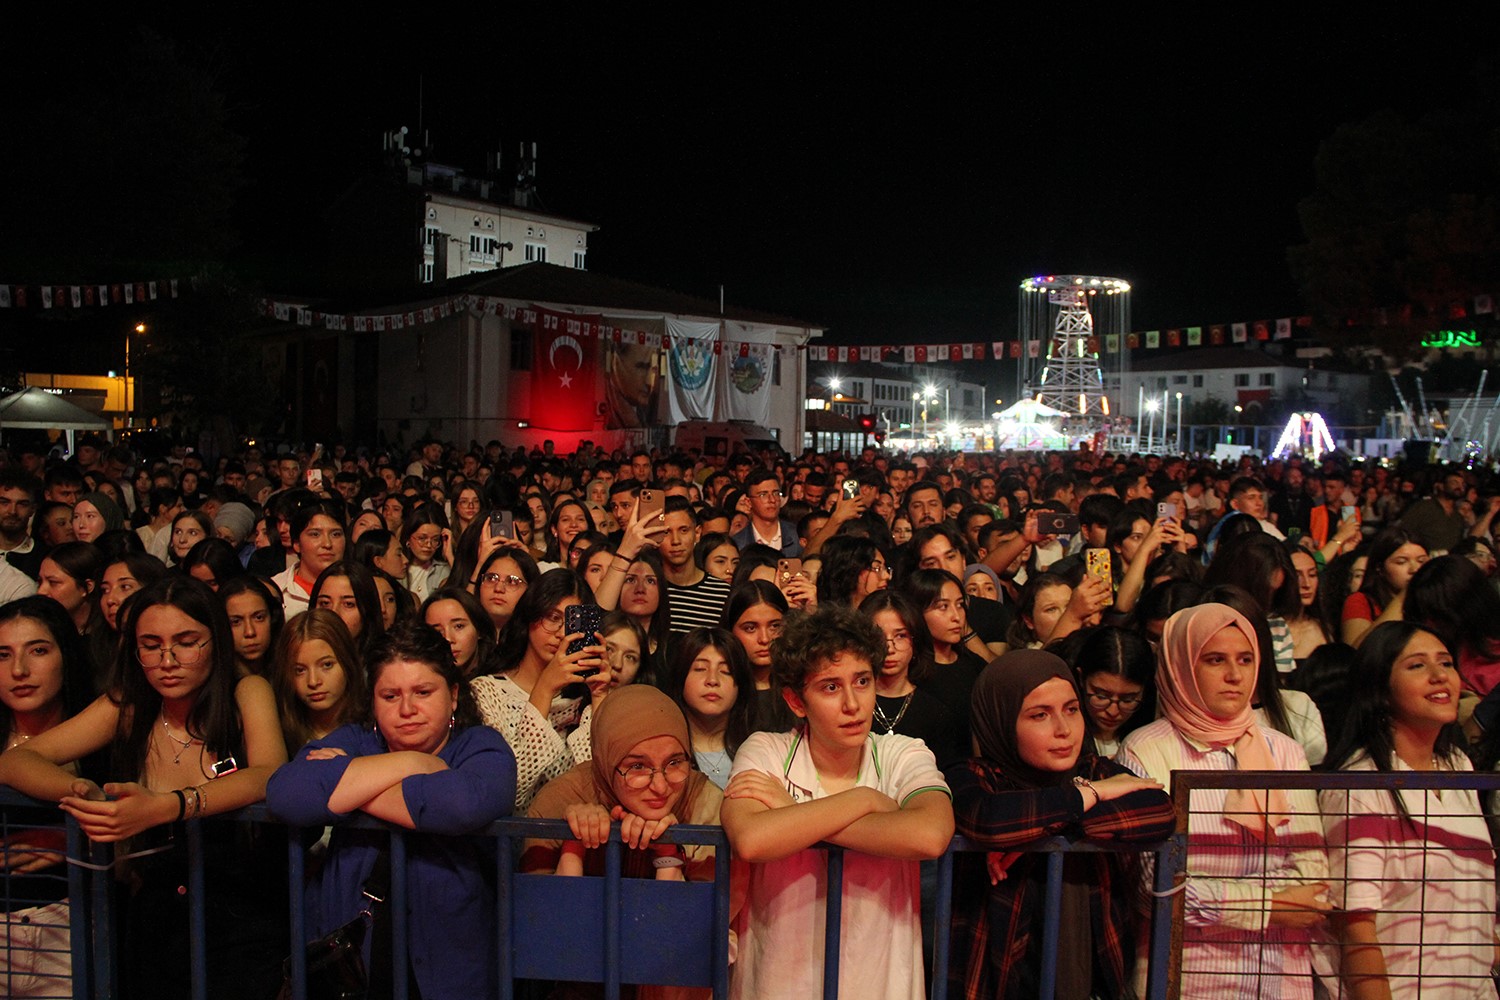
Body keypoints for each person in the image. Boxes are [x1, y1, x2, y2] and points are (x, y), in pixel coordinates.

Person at [0, 576, 288, 999]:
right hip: (155, 924)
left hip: (240, 920)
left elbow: (268, 773)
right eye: (151, 645)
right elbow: (15, 760)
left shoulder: (246, 690)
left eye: (187, 641)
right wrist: (83, 791)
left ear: (216, 642)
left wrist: (171, 806)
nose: (168, 659)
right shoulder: (130, 705)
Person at [266, 620, 516, 1000]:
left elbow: (461, 804)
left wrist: (347, 790)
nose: (407, 709)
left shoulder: (480, 745)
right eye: (390, 695)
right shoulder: (358, 740)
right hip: (355, 957)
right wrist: (413, 765)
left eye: (423, 691)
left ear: (452, 695)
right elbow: (286, 792)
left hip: (450, 962)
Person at [721, 604, 954, 1000]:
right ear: (796, 702)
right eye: (830, 687)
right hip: (780, 981)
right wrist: (867, 801)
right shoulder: (765, 750)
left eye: (862, 681)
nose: (852, 703)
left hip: (881, 981)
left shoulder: (903, 752)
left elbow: (930, 835)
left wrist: (793, 815)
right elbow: (752, 839)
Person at [1118, 603, 1330, 998]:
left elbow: (1314, 886)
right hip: (1183, 977)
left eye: (1245, 659)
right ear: (1182, 667)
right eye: (1215, 660)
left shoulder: (1284, 752)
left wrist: (1214, 898)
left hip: (1279, 976)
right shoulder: (1145, 751)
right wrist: (1273, 906)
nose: (1235, 675)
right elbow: (1157, 891)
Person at [946, 650, 1175, 1000]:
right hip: (1000, 976)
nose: (1064, 730)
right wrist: (1090, 795)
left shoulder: (1094, 768)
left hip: (1092, 973)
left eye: (1071, 709)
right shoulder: (976, 775)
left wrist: (1043, 829)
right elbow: (988, 819)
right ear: (1003, 720)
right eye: (1040, 715)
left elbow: (1158, 812)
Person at [1317, 621, 1497, 1000]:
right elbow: (1355, 927)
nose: (1439, 676)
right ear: (1380, 689)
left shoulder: (1457, 765)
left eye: (1446, 663)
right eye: (1417, 666)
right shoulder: (1361, 784)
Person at [525, 683, 722, 893]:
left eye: (674, 763)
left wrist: (668, 854)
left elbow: (706, 920)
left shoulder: (704, 803)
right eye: (637, 766)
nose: (660, 787)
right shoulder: (560, 801)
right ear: (608, 762)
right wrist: (574, 844)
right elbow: (539, 915)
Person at [0, 597, 98, 996]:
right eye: (3, 655)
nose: (19, 670)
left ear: (66, 654)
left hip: (71, 931)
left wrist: (72, 841)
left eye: (38, 650)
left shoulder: (100, 741)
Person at [471, 569, 602, 810]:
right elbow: (510, 789)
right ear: (530, 616)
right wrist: (545, 688)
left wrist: (600, 698)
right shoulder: (486, 692)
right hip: (510, 840)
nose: (562, 633)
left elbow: (600, 788)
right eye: (552, 618)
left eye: (572, 623)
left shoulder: (587, 700)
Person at [859, 589, 962, 767]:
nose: (890, 648)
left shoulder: (937, 713)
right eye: (878, 637)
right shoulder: (851, 706)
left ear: (915, 640)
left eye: (900, 636)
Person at [666, 627, 755, 789]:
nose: (712, 680)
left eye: (726, 671)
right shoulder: (663, 753)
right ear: (681, 677)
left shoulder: (760, 751)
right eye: (700, 669)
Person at [270, 608, 366, 755]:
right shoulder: (278, 734)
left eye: (327, 665)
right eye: (300, 670)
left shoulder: (373, 729)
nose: (313, 681)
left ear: (347, 662)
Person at [1341, 528, 1427, 647]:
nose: (1415, 569)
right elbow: (1356, 650)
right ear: (1379, 568)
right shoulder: (1360, 601)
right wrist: (1403, 596)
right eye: (1401, 562)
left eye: (1421, 561)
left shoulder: (1432, 599)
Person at [220, 575, 284, 678]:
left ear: (272, 618)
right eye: (236, 622)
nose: (250, 632)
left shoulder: (291, 671)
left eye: (259, 618)